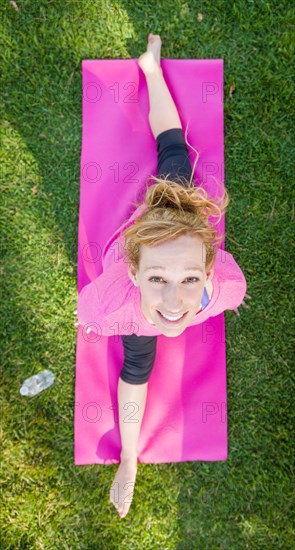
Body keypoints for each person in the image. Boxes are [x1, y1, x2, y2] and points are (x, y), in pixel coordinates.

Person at [76, 33, 252, 518]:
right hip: (145, 251)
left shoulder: (222, 285)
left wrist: (197, 279)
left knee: (175, 152)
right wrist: (128, 460)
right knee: (138, 367)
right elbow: (125, 364)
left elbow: (214, 279)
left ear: (208, 271)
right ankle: (130, 456)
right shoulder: (117, 304)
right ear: (134, 274)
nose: (175, 303)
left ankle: (150, 68)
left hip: (175, 219)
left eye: (190, 280)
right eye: (157, 280)